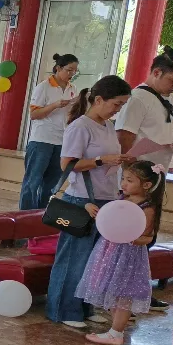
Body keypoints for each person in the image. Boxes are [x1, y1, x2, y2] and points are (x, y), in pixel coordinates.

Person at [46, 75, 134, 327]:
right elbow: (67, 164)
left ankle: (84, 306)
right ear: (98, 99)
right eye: (116, 104)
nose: (118, 109)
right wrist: (101, 160)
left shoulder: (106, 125)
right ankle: (63, 310)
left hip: (105, 197)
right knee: (74, 257)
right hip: (82, 199)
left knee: (95, 259)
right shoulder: (80, 127)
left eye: (122, 105)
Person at [115, 47, 173, 312]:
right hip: (136, 179)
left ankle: (139, 292)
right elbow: (125, 137)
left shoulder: (172, 101)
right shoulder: (137, 98)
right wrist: (129, 178)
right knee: (130, 236)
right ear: (157, 72)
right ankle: (119, 295)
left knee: (148, 235)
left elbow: (163, 135)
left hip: (157, 176)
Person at [75, 161, 165, 345]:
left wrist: (132, 239)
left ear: (146, 185)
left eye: (129, 180)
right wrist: (94, 211)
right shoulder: (124, 199)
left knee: (123, 294)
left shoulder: (147, 208)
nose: (123, 183)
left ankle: (116, 332)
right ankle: (115, 330)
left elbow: (148, 237)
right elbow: (112, 219)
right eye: (123, 178)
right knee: (111, 290)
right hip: (110, 250)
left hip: (127, 255)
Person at [20, 53, 79, 210]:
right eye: (69, 70)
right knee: (33, 182)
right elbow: (34, 114)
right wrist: (55, 105)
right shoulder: (43, 87)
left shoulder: (73, 89)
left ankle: (42, 215)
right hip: (41, 140)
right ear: (58, 68)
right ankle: (25, 217)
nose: (72, 74)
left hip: (61, 141)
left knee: (52, 184)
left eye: (75, 71)